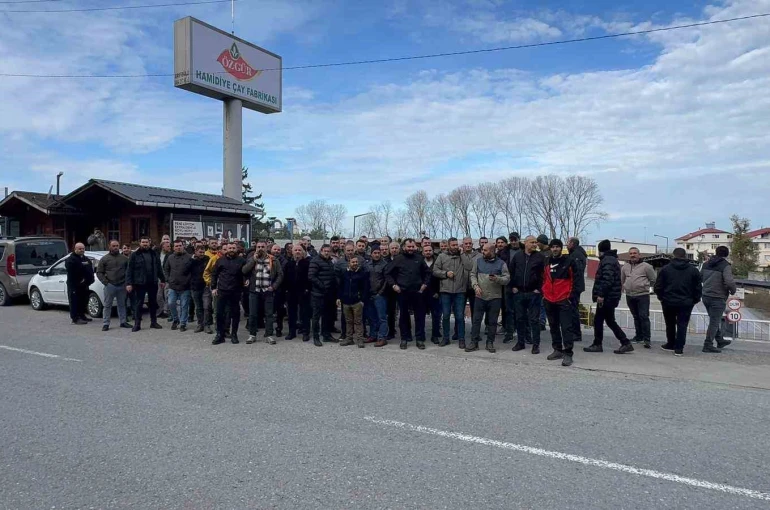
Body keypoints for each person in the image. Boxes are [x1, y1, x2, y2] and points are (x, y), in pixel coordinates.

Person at [584, 240, 633, 355]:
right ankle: (624, 342)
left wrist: (601, 295)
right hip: (612, 296)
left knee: (599, 320)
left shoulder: (607, 261)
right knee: (609, 320)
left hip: (607, 297)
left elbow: (607, 279)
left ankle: (599, 344)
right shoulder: (611, 259)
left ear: (600, 250)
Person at [654, 248, 702, 356]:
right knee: (682, 325)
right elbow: (698, 288)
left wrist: (661, 297)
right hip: (686, 302)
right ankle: (679, 348)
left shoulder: (665, 269)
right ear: (685, 256)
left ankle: (670, 344)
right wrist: (694, 300)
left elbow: (658, 286)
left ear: (673, 255)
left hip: (668, 301)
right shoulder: (693, 270)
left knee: (670, 323)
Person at [386, 238, 431, 350]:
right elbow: (387, 273)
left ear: (415, 247)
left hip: (418, 292)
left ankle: (419, 339)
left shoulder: (420, 259)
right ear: (404, 247)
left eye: (412, 247)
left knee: (419, 317)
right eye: (408, 247)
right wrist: (393, 285)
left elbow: (428, 273)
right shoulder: (398, 259)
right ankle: (404, 339)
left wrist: (425, 284)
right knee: (404, 316)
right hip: (402, 292)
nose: (410, 249)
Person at [468, 242, 510, 353]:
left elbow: (507, 279)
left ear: (492, 251)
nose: (483, 252)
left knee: (492, 322)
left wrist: (497, 279)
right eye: (482, 250)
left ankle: (490, 343)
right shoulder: (478, 261)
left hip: (495, 298)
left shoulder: (501, 264)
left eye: (485, 250)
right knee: (476, 321)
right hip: (479, 296)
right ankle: (474, 342)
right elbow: (472, 275)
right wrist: (475, 286)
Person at [434, 237, 473, 348]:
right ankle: (446, 338)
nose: (455, 247)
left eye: (457, 245)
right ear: (449, 246)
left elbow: (469, 266)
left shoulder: (462, 256)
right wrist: (445, 274)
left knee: (460, 316)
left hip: (460, 291)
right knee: (446, 315)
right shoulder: (442, 256)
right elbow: (435, 271)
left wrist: (462, 254)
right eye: (453, 245)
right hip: (445, 291)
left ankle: (461, 339)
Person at [542, 239, 576, 367]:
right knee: (553, 326)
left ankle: (568, 353)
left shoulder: (569, 261)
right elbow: (544, 278)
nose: (555, 249)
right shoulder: (547, 261)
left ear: (561, 248)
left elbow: (575, 280)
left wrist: (569, 297)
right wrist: (544, 294)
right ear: (550, 248)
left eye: (557, 247)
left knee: (566, 327)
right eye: (553, 247)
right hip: (549, 299)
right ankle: (557, 349)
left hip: (563, 299)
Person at [243, 240, 284, 345]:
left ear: (267, 248)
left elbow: (280, 275)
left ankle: (269, 335)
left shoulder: (273, 260)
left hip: (268, 291)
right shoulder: (251, 258)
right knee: (252, 314)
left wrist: (274, 287)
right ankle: (252, 335)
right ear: (256, 248)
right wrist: (253, 260)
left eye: (262, 246)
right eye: (258, 247)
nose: (260, 248)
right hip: (254, 290)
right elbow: (244, 271)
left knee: (269, 314)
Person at [510, 236, 545, 354]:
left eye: (536, 242)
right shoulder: (518, 256)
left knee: (534, 320)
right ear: (525, 243)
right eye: (532, 242)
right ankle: (520, 342)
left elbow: (544, 275)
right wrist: (513, 286)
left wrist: (539, 289)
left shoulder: (540, 257)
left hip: (533, 293)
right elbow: (511, 272)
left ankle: (536, 345)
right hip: (519, 293)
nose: (535, 244)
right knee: (520, 319)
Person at [700, 245, 736, 353]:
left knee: (713, 320)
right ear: (727, 254)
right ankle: (708, 344)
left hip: (706, 296)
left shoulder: (706, 264)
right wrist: (733, 290)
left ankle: (720, 340)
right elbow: (729, 281)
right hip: (718, 297)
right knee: (714, 322)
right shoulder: (725, 266)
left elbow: (700, 277)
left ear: (716, 252)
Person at [126, 237, 165, 332]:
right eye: (143, 242)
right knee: (139, 304)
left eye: (146, 242)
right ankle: (137, 324)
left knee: (153, 303)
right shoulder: (134, 255)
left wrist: (163, 280)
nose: (145, 244)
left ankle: (153, 322)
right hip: (139, 283)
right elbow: (129, 270)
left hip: (152, 282)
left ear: (149, 243)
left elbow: (159, 268)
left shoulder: (154, 254)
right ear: (140, 243)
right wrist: (128, 283)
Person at [621, 247, 657, 349]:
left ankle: (647, 339)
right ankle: (638, 336)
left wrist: (644, 286)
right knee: (636, 317)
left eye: (635, 253)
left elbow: (653, 279)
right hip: (629, 295)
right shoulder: (625, 267)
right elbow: (622, 280)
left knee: (644, 316)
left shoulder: (646, 266)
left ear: (639, 254)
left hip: (642, 296)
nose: (633, 255)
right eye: (631, 253)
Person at [211, 242, 246, 345]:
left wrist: (246, 281)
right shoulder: (220, 260)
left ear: (236, 249)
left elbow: (246, 273)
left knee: (235, 314)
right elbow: (214, 274)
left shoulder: (242, 261)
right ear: (226, 249)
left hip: (236, 291)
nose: (231, 250)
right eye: (229, 248)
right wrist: (213, 287)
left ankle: (234, 335)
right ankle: (219, 335)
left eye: (233, 248)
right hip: (222, 291)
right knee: (219, 314)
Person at [96, 240, 130, 331]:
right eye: (113, 246)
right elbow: (99, 272)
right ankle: (106, 323)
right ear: (109, 247)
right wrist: (106, 282)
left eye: (117, 246)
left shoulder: (124, 259)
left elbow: (129, 272)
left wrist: (127, 283)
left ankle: (123, 321)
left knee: (122, 304)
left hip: (122, 284)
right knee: (107, 305)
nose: (115, 247)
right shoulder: (104, 259)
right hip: (110, 285)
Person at [337, 256, 370, 348]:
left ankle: (359, 339)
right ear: (349, 263)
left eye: (356, 262)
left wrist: (362, 300)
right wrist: (339, 298)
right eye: (353, 262)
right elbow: (340, 286)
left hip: (357, 302)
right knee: (348, 321)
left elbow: (365, 288)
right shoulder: (344, 274)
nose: (355, 263)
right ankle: (349, 338)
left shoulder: (362, 274)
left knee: (358, 321)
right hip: (346, 302)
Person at [309, 244, 338, 346]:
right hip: (318, 294)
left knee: (327, 315)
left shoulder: (330, 261)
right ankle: (316, 337)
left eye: (328, 251)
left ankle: (326, 335)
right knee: (316, 317)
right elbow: (311, 276)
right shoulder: (315, 261)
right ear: (321, 251)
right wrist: (322, 286)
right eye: (325, 251)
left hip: (329, 294)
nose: (326, 253)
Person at [163, 239, 192, 332]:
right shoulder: (170, 257)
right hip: (173, 286)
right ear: (173, 248)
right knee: (171, 303)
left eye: (180, 245)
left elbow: (193, 270)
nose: (178, 247)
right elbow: (166, 269)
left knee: (184, 305)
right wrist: (168, 279)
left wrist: (189, 280)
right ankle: (175, 319)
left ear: (183, 246)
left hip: (185, 286)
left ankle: (183, 323)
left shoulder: (189, 257)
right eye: (176, 246)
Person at [284, 245, 311, 341]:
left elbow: (310, 278)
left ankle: (305, 332)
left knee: (305, 313)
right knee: (291, 313)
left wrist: (307, 288)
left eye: (300, 250)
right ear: (292, 252)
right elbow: (285, 278)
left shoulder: (307, 263)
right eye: (295, 250)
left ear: (303, 252)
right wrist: (286, 290)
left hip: (304, 291)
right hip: (291, 292)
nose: (297, 252)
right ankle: (292, 332)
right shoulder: (288, 264)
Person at [65, 243, 95, 325]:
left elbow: (89, 269)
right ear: (75, 249)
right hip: (74, 285)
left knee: (84, 300)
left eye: (83, 248)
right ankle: (75, 318)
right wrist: (80, 279)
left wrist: (89, 279)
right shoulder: (71, 259)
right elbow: (73, 271)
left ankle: (82, 315)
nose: (82, 250)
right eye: (80, 249)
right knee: (74, 301)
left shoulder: (85, 259)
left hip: (84, 285)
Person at [368, 245, 390, 347]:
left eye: (378, 253)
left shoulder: (385, 265)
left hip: (380, 295)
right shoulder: (368, 264)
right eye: (374, 253)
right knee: (372, 317)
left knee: (382, 317)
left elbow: (386, 281)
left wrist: (380, 292)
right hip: (369, 294)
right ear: (371, 254)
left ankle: (382, 337)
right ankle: (373, 335)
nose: (377, 255)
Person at [566, 237, 587, 342]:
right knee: (572, 309)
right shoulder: (577, 253)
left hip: (574, 287)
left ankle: (576, 333)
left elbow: (576, 273)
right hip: (575, 286)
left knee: (573, 310)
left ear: (573, 243)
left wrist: (571, 287)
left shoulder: (576, 255)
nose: (566, 244)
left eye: (568, 242)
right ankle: (574, 332)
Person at [421, 244, 442, 343]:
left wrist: (438, 291)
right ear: (423, 252)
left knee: (436, 316)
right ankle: (421, 335)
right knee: (420, 316)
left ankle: (435, 335)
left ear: (433, 251)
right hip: (422, 293)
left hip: (435, 293)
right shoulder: (419, 262)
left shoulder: (438, 262)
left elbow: (441, 278)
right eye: (426, 251)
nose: (428, 252)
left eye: (430, 250)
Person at [189, 244, 211, 333]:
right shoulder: (191, 260)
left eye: (203, 252)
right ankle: (200, 324)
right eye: (200, 252)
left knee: (206, 306)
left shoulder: (207, 259)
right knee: (198, 307)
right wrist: (192, 260)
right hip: (195, 286)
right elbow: (186, 270)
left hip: (205, 286)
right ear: (196, 252)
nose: (201, 254)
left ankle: (207, 325)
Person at [385, 241, 401, 340]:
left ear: (399, 249)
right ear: (389, 250)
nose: (394, 250)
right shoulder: (385, 260)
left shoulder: (403, 259)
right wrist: (393, 285)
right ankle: (391, 331)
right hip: (390, 289)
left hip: (402, 288)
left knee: (403, 311)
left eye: (396, 248)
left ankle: (405, 331)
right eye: (392, 248)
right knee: (390, 312)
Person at [157, 240, 172, 320]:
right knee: (159, 295)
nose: (169, 248)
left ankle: (166, 311)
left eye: (170, 246)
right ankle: (162, 309)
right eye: (168, 246)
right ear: (163, 246)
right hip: (159, 277)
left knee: (167, 295)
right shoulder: (158, 254)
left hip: (167, 278)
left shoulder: (171, 255)